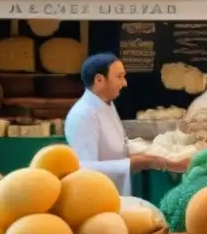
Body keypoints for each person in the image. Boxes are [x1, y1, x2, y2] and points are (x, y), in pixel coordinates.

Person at [65, 53, 185, 196]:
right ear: (99, 80)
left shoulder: (107, 104)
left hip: (115, 194)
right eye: (119, 77)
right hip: (94, 199)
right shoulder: (83, 115)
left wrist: (157, 154)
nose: (125, 83)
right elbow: (84, 168)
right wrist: (133, 163)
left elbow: (119, 145)